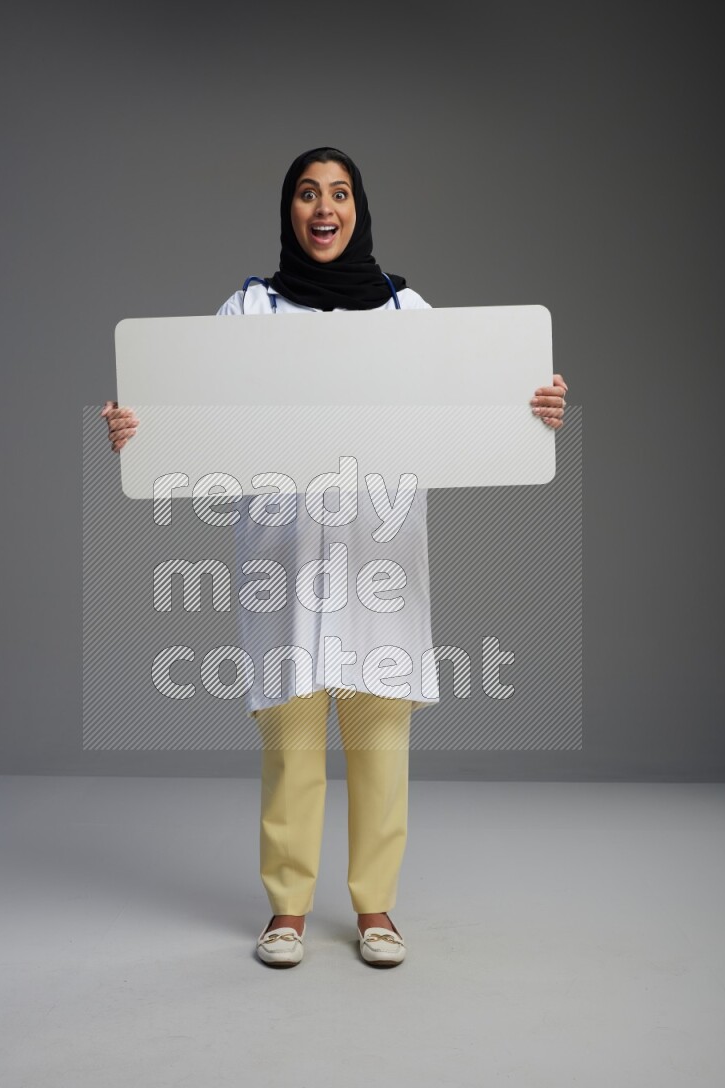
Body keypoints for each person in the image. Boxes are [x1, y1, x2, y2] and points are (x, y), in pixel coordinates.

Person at [100, 146, 567, 969]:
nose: (325, 208)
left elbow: (469, 402)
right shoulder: (247, 312)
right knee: (291, 737)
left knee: (380, 731)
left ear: (359, 209)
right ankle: (286, 911)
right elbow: (186, 409)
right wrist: (137, 431)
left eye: (340, 193)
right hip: (283, 553)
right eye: (309, 194)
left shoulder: (405, 310)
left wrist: (532, 408)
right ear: (288, 210)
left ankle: (376, 909)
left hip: (377, 551)